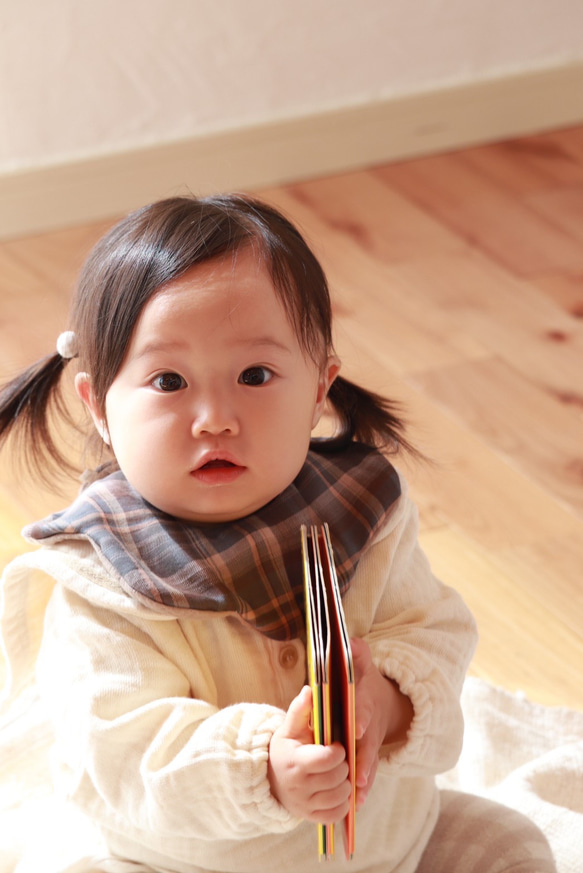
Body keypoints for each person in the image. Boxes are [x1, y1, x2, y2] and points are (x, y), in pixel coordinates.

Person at [0, 195, 556, 873]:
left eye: (255, 375)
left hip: (385, 848)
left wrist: (387, 702)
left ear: (320, 386)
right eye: (168, 381)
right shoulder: (101, 575)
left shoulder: (359, 510)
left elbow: (431, 630)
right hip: (183, 863)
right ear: (100, 407)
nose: (214, 417)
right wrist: (262, 764)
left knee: (510, 844)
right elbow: (122, 752)